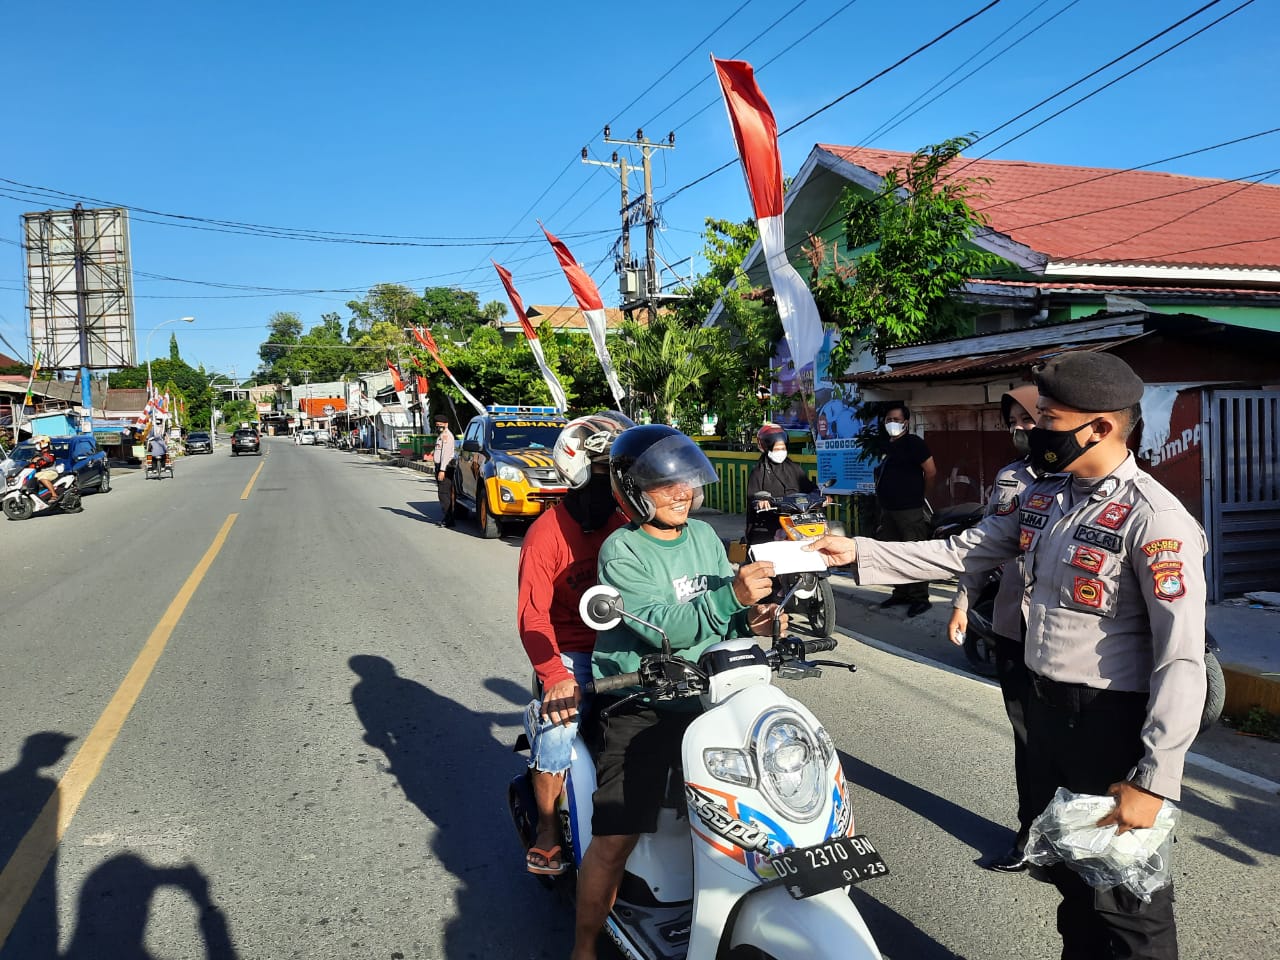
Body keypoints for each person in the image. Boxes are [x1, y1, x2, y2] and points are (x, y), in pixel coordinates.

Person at [806, 351, 1206, 960]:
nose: (1036, 431)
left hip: (1110, 725)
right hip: (1048, 718)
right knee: (1071, 882)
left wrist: (1154, 779)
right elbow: (965, 552)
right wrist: (855, 552)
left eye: (1049, 418)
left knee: (1128, 903)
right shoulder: (1046, 497)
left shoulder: (1155, 520)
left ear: (1100, 427)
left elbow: (1180, 659)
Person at [571, 425, 780, 960]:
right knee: (615, 836)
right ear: (632, 492)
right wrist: (731, 596)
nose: (681, 494)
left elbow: (725, 622)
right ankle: (585, 944)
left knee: (758, 815)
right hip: (642, 703)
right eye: (665, 487)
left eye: (685, 483)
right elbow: (663, 625)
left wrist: (754, 620)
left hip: (708, 700)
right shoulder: (623, 551)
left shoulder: (706, 538)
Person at [516, 411, 634, 877]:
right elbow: (532, 616)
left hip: (627, 642)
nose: (619, 486)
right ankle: (547, 830)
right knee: (560, 728)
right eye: (608, 475)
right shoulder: (544, 537)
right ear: (578, 471)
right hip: (573, 653)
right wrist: (556, 677)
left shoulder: (628, 523)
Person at [947, 384, 1040, 872]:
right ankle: (1030, 833)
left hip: (1073, 637)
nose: (1020, 430)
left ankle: (1080, 838)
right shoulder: (1010, 478)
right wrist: (963, 602)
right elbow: (981, 546)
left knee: (1074, 741)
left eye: (1028, 419)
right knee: (1026, 737)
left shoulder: (1084, 478)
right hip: (1011, 626)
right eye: (1014, 423)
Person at [874, 403, 937, 617]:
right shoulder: (887, 446)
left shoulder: (914, 444)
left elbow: (931, 472)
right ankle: (900, 592)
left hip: (910, 509)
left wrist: (921, 496)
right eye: (888, 420)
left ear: (906, 423)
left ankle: (920, 598)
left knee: (915, 553)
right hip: (888, 510)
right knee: (893, 553)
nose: (892, 423)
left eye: (896, 420)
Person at [744, 422, 819, 545]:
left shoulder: (794, 468)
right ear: (767, 448)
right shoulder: (759, 472)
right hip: (768, 527)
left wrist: (820, 495)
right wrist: (761, 501)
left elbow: (808, 486)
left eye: (783, 449)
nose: (781, 452)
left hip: (796, 522)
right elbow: (753, 496)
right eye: (777, 449)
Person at [29, 435, 59, 501]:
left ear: (43, 443)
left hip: (51, 472)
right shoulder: (38, 453)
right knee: (30, 478)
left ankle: (54, 495)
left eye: (38, 443)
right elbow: (32, 464)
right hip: (41, 472)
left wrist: (38, 461)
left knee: (43, 478)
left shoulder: (50, 453)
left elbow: (48, 459)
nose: (36, 445)